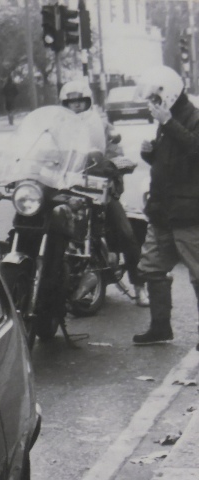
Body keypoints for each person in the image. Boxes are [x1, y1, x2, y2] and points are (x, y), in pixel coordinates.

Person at [59, 78, 147, 306]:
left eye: (80, 101)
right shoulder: (58, 128)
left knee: (127, 232)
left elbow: (116, 151)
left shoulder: (103, 126)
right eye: (71, 102)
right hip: (69, 190)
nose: (76, 106)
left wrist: (111, 165)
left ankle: (139, 287)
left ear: (88, 101)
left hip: (99, 190)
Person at [131, 66, 199, 345]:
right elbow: (170, 164)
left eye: (155, 100)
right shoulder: (165, 122)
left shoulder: (193, 118)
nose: (152, 106)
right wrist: (150, 155)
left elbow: (195, 152)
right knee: (152, 268)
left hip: (188, 212)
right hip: (162, 210)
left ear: (168, 95)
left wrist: (169, 123)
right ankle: (161, 327)